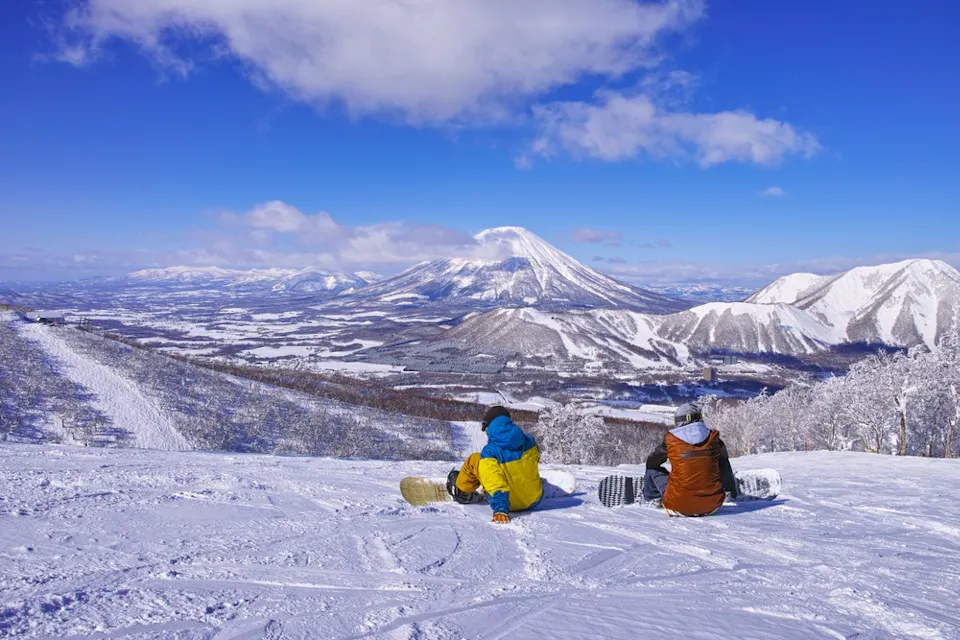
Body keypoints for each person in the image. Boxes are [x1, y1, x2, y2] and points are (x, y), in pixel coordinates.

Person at [446, 406, 543, 524]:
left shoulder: (490, 451)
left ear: (489, 426)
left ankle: (461, 491)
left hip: (508, 505)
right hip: (534, 500)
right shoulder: (530, 441)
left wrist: (500, 509)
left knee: (475, 459)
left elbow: (494, 481)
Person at [643, 402, 737, 517]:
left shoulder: (671, 439)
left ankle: (653, 498)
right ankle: (730, 493)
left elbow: (652, 462)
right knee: (722, 462)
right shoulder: (714, 438)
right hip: (713, 506)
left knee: (652, 469)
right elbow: (724, 464)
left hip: (679, 506)